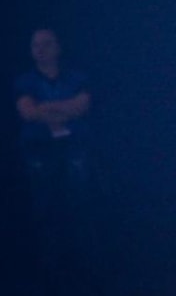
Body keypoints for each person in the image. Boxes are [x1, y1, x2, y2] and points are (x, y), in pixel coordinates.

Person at [13, 26, 108, 295]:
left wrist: (47, 109)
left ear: (57, 46)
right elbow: (28, 112)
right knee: (46, 212)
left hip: (75, 150)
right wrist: (60, 111)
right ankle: (53, 276)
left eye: (46, 44)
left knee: (81, 209)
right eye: (36, 46)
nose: (41, 50)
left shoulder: (76, 77)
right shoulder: (25, 81)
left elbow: (82, 105)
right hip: (40, 153)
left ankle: (89, 273)